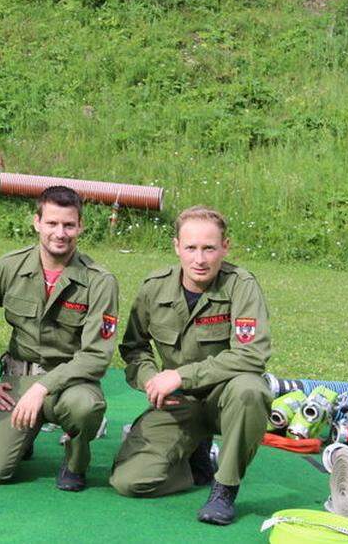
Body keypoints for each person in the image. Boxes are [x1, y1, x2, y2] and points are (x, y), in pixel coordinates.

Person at [110, 206, 272, 526]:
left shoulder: (241, 285)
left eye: (209, 248)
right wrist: (151, 381)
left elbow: (252, 353)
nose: (200, 259)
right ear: (176, 247)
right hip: (179, 402)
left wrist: (180, 375)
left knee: (252, 390)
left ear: (225, 247)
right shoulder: (154, 288)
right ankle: (194, 460)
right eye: (191, 248)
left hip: (225, 398)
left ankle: (224, 489)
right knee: (129, 481)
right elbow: (134, 347)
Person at [0, 186, 118, 491]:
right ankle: (22, 435)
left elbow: (96, 356)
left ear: (80, 226)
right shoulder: (10, 266)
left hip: (71, 386)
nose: (60, 233)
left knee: (85, 408)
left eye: (69, 225)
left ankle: (75, 461)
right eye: (52, 223)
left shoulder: (100, 281)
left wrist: (43, 387)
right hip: (18, 384)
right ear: (36, 222)